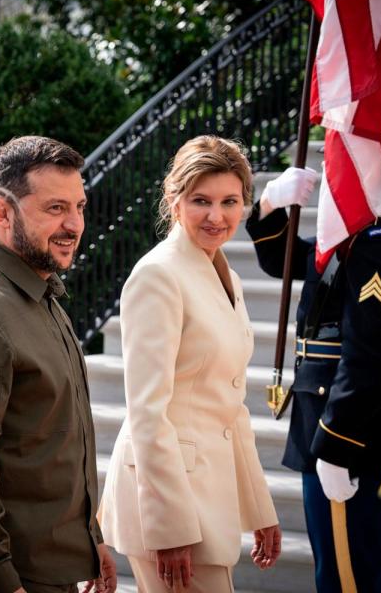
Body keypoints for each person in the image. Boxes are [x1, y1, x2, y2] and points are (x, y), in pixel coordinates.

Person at [0, 136, 117, 593]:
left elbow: (53, 444)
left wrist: (91, 541)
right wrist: (1, 578)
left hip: (57, 568)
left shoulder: (44, 295)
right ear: (2, 212)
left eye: (79, 206)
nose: (74, 224)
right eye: (55, 208)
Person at [99, 136, 280, 593]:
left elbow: (230, 404)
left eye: (229, 201)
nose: (216, 216)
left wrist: (260, 509)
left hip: (208, 497)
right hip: (169, 505)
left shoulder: (227, 276)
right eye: (201, 200)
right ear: (174, 201)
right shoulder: (158, 275)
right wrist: (170, 529)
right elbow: (147, 411)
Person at [246, 165, 381, 592]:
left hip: (350, 430)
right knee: (336, 572)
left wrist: (338, 446)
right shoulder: (349, 232)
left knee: (353, 577)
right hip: (324, 420)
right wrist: (269, 205)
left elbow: (372, 354)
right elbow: (280, 261)